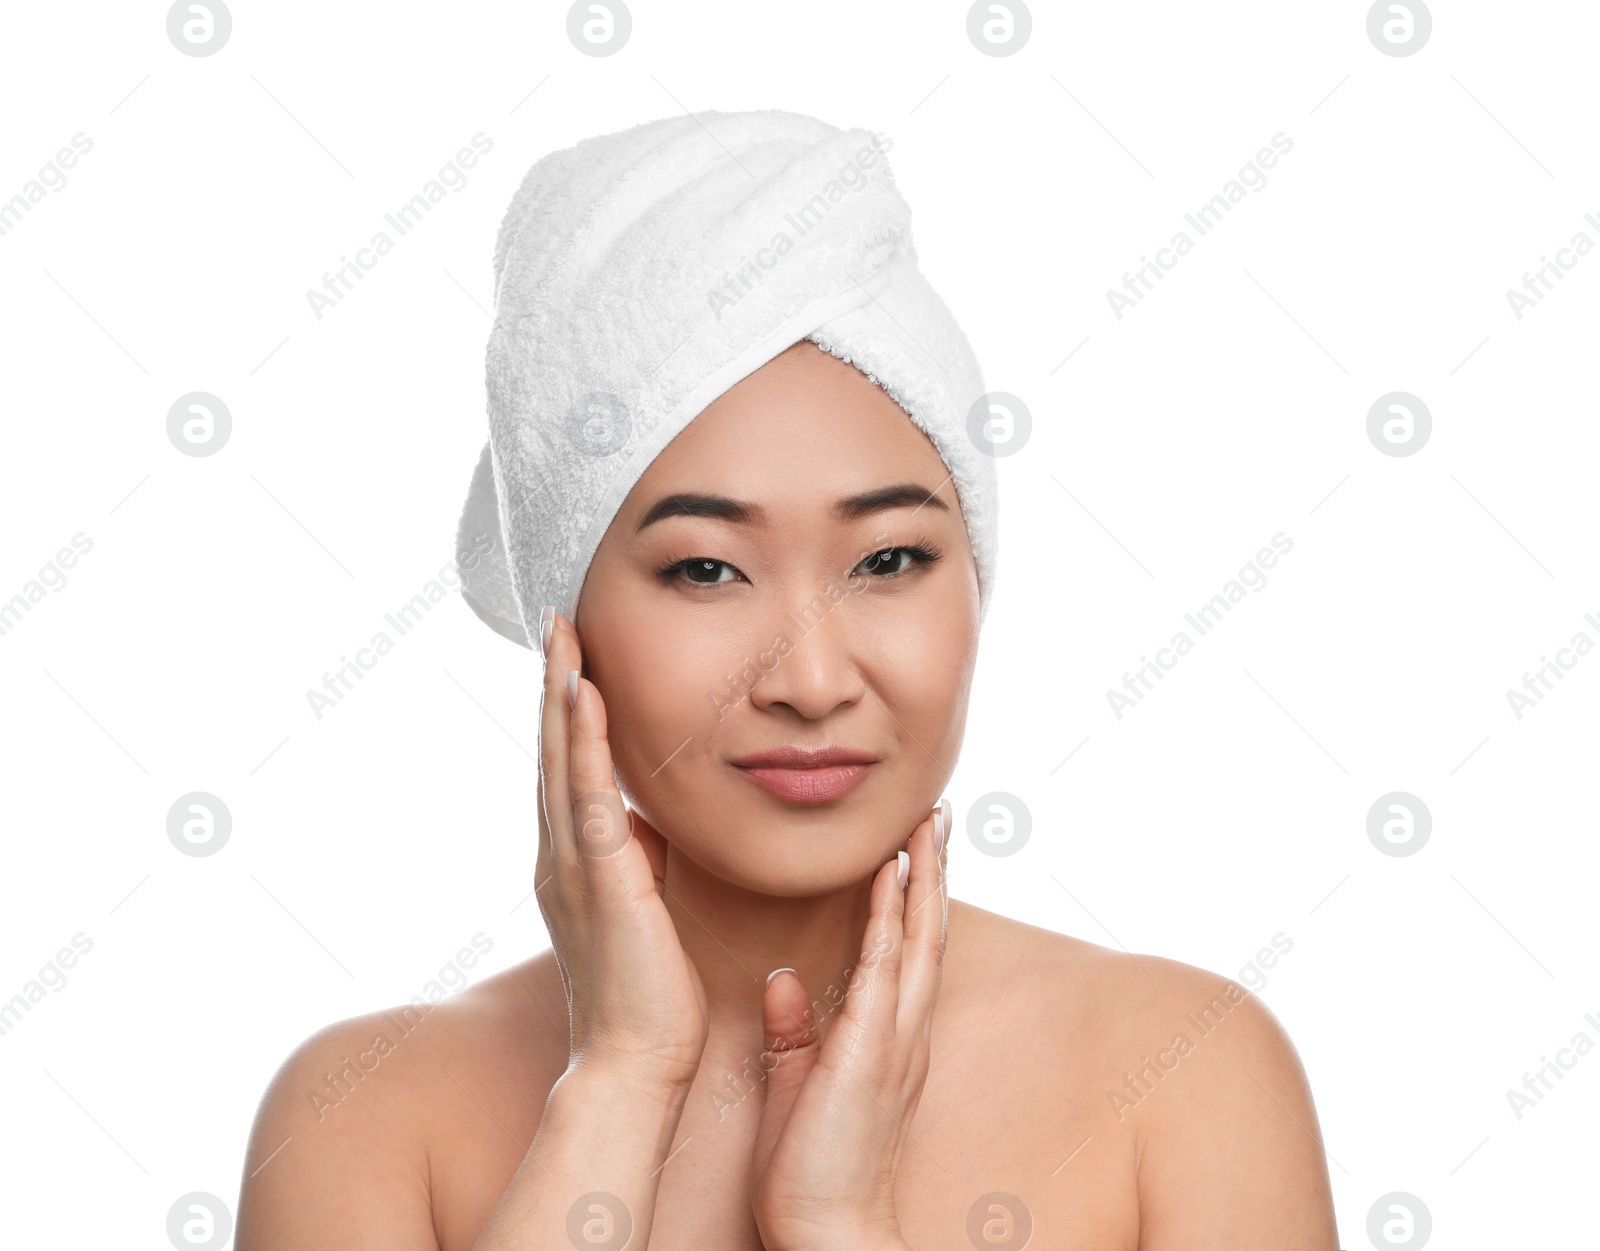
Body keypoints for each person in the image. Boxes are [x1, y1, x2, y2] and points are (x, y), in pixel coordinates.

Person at [236, 113, 1340, 1251]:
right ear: (566, 620)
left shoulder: (1182, 1079)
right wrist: (619, 1083)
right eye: (705, 569)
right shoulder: (363, 1118)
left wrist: (835, 1222)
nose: (810, 680)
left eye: (889, 561)